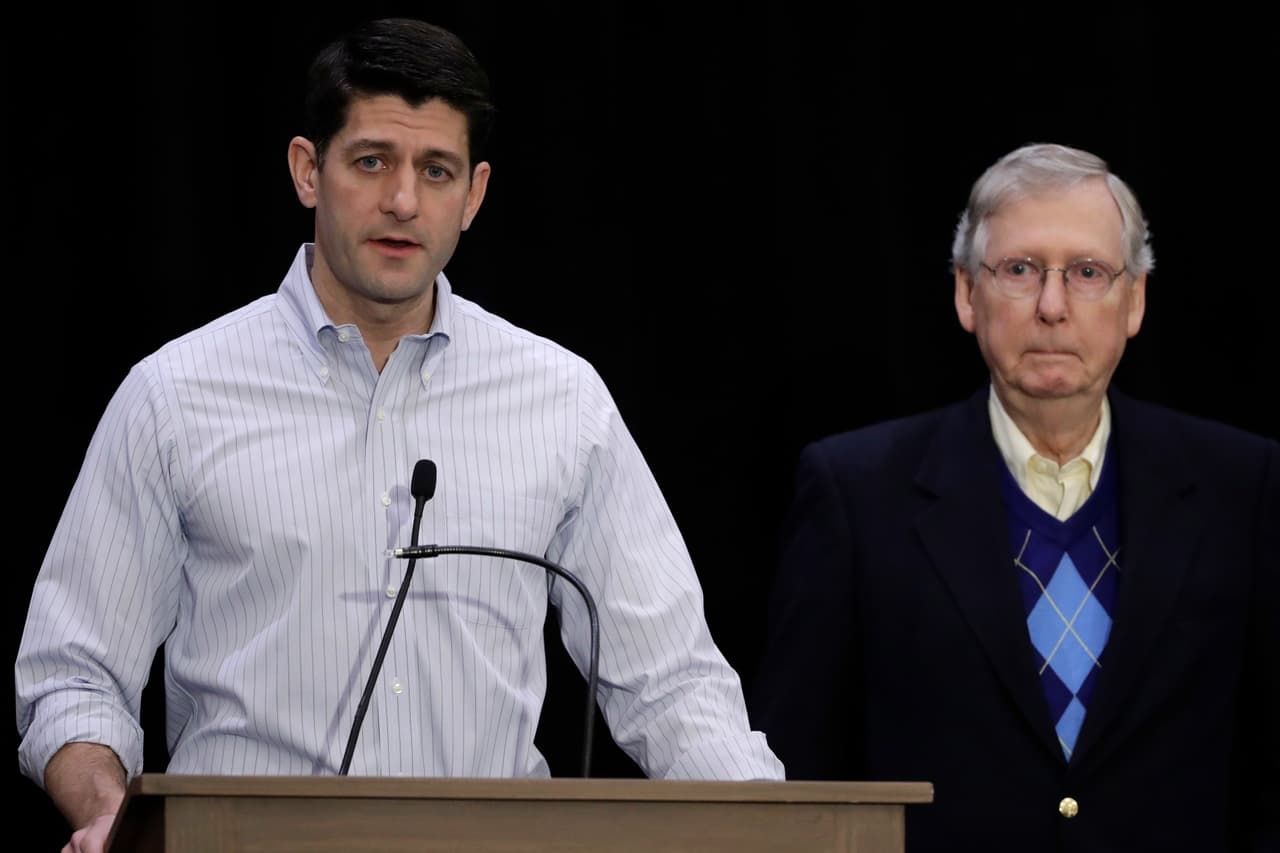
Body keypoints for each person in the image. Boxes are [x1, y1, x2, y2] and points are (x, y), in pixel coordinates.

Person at [16, 17, 782, 852]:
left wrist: (781, 829)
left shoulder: (562, 400)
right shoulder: (174, 395)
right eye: (373, 160)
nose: (404, 201)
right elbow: (74, 676)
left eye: (436, 170)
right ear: (310, 170)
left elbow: (670, 681)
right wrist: (108, 815)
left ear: (475, 195)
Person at [750, 143, 1278, 851]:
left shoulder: (1239, 485)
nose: (1052, 306)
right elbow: (796, 778)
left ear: (1135, 300)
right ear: (968, 294)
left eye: (1088, 272)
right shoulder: (855, 492)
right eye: (1021, 270)